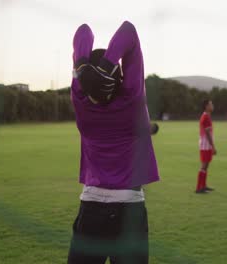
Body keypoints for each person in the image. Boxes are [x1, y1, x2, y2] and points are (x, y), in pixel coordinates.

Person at [67, 21, 159, 264]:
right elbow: (128, 30)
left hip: (91, 209)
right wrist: (108, 66)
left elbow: (83, 31)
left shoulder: (82, 101)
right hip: (130, 211)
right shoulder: (132, 102)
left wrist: (83, 68)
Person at [195, 100, 216, 194]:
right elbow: (207, 133)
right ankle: (199, 188)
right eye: (211, 104)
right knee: (204, 166)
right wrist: (213, 146)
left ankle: (203, 186)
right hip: (205, 145)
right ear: (206, 106)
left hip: (206, 144)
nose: (212, 106)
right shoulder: (206, 117)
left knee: (206, 165)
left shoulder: (206, 116)